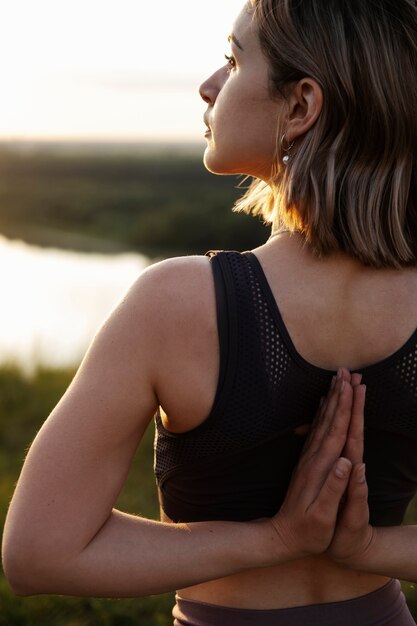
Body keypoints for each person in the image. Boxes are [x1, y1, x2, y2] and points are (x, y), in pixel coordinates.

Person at [2, 0, 417, 624]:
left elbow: (40, 554)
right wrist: (367, 547)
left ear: (302, 106)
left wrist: (275, 539)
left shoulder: (177, 303)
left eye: (233, 58)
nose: (208, 84)